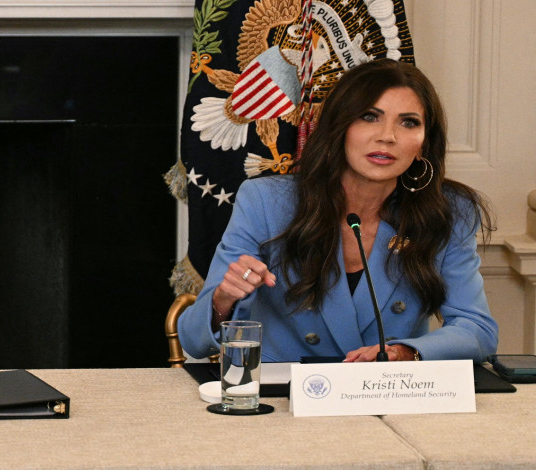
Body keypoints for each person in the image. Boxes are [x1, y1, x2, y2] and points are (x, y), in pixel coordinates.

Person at [178, 59, 498, 363]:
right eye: (370, 117)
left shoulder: (449, 211)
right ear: (339, 127)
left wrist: (405, 353)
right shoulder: (266, 202)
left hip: (387, 389)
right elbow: (194, 341)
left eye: (408, 122)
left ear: (423, 145)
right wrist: (224, 299)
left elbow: (477, 330)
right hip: (285, 391)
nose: (387, 136)